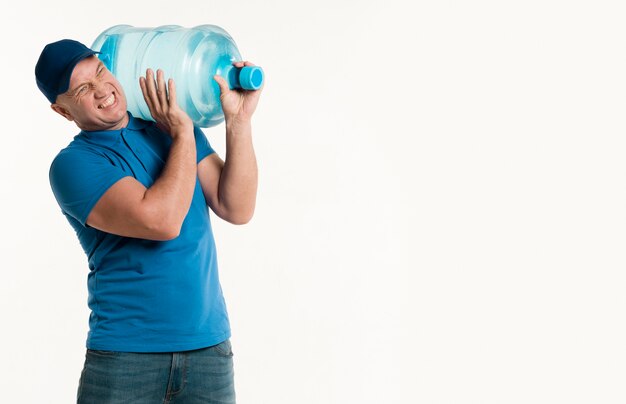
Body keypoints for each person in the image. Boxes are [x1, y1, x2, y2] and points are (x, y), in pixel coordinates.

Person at [35, 38, 262, 403]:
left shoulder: (167, 129)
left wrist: (238, 122)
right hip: (127, 359)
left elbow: (236, 206)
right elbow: (162, 221)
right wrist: (183, 133)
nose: (102, 90)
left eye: (100, 72)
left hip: (209, 350)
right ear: (62, 111)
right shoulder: (74, 165)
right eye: (82, 89)